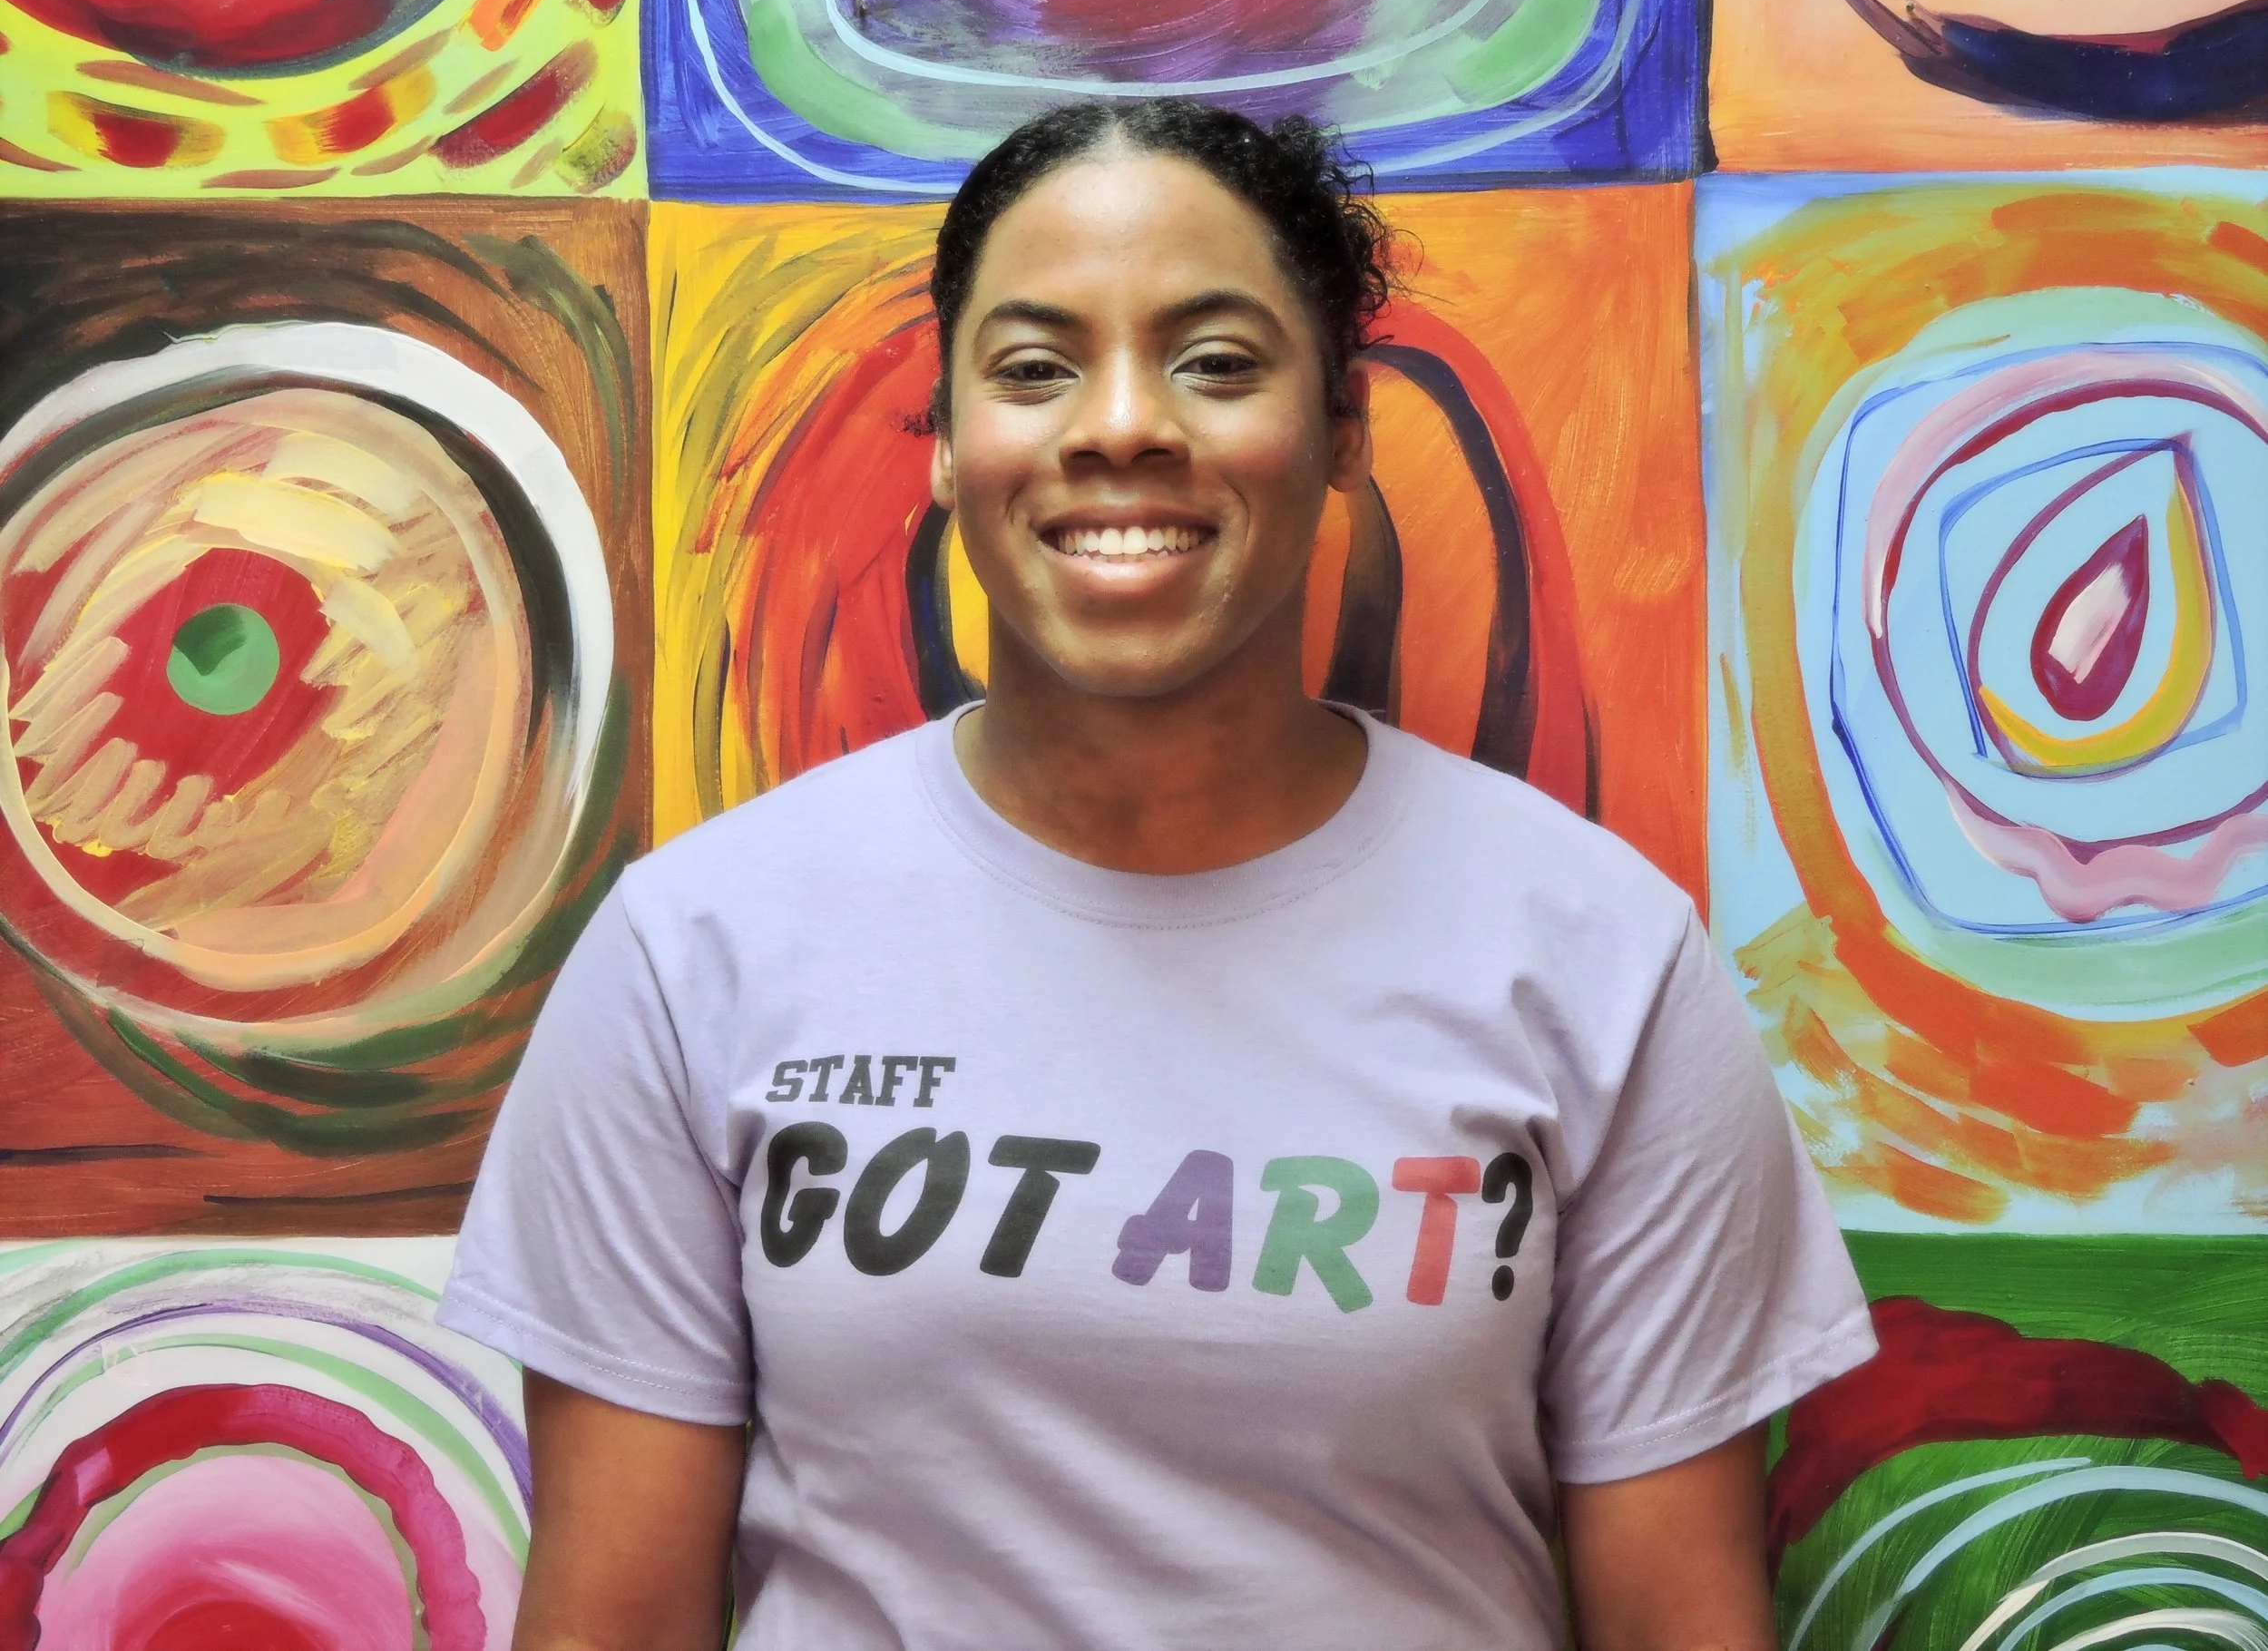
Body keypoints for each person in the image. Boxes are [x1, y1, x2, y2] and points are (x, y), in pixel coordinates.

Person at [440, 98, 1875, 1651]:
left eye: (1215, 359)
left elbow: (1682, 1626)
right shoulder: (692, 951)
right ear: (947, 444)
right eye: (1036, 365)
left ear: (1341, 436)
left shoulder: (1607, 963)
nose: (1121, 423)